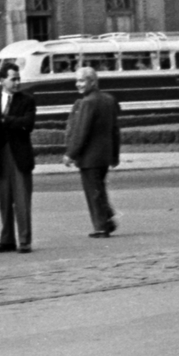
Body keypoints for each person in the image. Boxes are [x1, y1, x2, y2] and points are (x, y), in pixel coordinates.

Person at [0, 62, 37, 253]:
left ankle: (24, 240)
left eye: (18, 79)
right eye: (13, 79)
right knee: (4, 200)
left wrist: (8, 120)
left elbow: (29, 123)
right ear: (2, 80)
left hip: (19, 155)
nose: (17, 82)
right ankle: (7, 240)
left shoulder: (26, 100)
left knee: (22, 200)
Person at [62, 66, 121, 237]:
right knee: (99, 189)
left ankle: (101, 227)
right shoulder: (109, 100)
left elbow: (82, 131)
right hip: (104, 156)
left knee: (93, 192)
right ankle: (107, 220)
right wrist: (115, 155)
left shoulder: (87, 103)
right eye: (77, 81)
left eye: (81, 81)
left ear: (93, 82)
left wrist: (71, 154)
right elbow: (115, 130)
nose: (77, 84)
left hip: (90, 157)